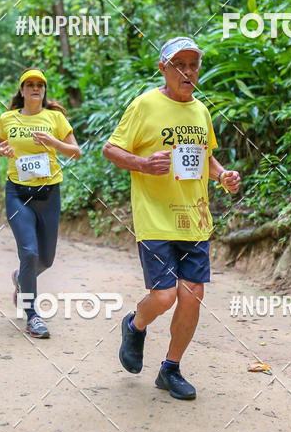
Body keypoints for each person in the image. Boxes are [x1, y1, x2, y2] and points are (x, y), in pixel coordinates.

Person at [103, 36, 241, 400]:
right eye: (179, 64)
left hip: (194, 219)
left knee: (191, 297)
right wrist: (143, 164)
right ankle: (135, 325)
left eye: (193, 64)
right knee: (164, 296)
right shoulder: (145, 105)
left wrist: (222, 175)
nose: (188, 71)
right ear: (162, 68)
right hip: (155, 217)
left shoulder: (201, 111)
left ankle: (171, 369)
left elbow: (206, 157)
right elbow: (111, 149)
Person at [0, 68, 81, 338]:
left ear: (44, 91)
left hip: (49, 193)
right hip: (18, 193)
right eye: (29, 84)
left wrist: (53, 141)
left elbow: (76, 152)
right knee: (29, 253)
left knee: (46, 259)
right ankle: (32, 315)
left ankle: (21, 277)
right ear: (21, 90)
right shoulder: (8, 118)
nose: (35, 88)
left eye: (39, 85)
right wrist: (0, 149)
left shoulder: (55, 117)